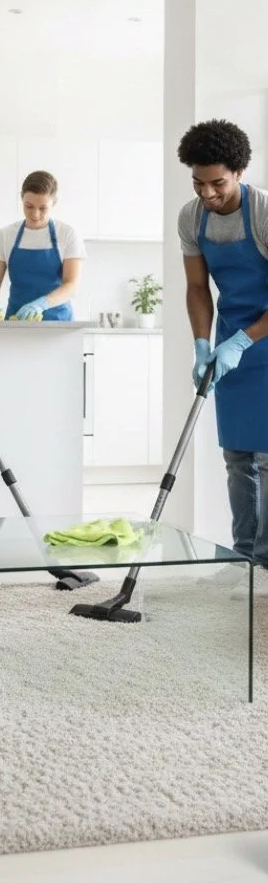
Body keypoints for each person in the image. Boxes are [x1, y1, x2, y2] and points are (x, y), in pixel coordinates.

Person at [178, 118, 268, 596]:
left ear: (238, 171)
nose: (208, 193)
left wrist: (241, 342)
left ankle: (267, 566)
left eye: (218, 182)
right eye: (199, 182)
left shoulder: (265, 212)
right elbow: (197, 287)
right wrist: (203, 342)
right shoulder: (192, 217)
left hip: (265, 337)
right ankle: (242, 560)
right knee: (237, 457)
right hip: (230, 336)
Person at [0, 170, 85, 321]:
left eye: (43, 208)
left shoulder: (67, 234)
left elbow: (71, 285)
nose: (35, 214)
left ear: (54, 202)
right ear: (21, 198)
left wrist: (42, 304)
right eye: (29, 206)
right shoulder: (5, 235)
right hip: (17, 322)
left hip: (58, 324)